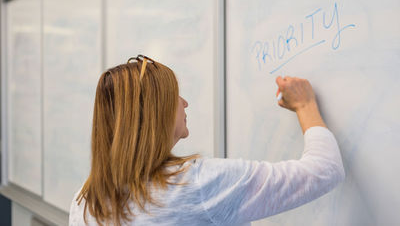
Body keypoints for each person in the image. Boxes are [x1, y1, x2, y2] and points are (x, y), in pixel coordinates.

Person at [69, 55, 345, 226]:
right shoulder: (198, 184)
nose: (184, 103)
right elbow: (324, 171)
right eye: (175, 96)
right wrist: (306, 105)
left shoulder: (86, 199)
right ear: (157, 112)